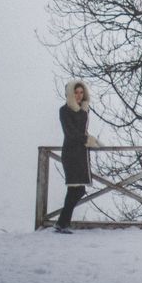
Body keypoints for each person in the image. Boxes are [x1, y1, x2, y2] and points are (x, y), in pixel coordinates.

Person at [55, 80, 99, 233]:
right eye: (76, 92)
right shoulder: (64, 110)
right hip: (71, 153)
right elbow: (71, 133)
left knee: (78, 189)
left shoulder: (84, 109)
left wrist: (91, 139)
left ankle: (62, 223)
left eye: (81, 92)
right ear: (70, 94)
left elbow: (82, 131)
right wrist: (87, 139)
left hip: (81, 154)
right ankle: (62, 223)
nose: (79, 95)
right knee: (76, 189)